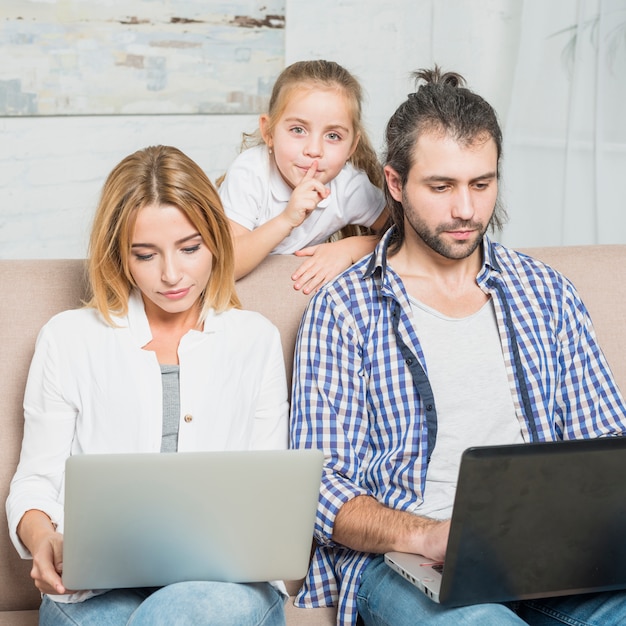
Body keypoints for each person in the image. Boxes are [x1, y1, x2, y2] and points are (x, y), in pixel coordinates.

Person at [290, 67, 626, 625]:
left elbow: (609, 442)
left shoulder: (545, 292)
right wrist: (428, 535)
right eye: (441, 187)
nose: (467, 210)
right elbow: (320, 490)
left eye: (482, 184)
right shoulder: (345, 310)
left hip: (549, 558)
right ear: (395, 184)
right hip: (401, 561)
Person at [6, 145, 288, 626]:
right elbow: (35, 482)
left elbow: (268, 492)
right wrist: (43, 540)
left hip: (224, 590)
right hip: (93, 591)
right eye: (145, 254)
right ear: (119, 253)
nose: (172, 275)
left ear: (217, 241)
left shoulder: (254, 339)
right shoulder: (68, 338)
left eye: (190, 248)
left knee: (183, 615)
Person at [218, 59, 389, 295]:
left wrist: (351, 248)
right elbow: (226, 265)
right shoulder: (250, 173)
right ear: (269, 132)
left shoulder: (349, 185)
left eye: (333, 136)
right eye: (298, 130)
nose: (314, 149)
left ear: (352, 146)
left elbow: (407, 236)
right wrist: (287, 220)